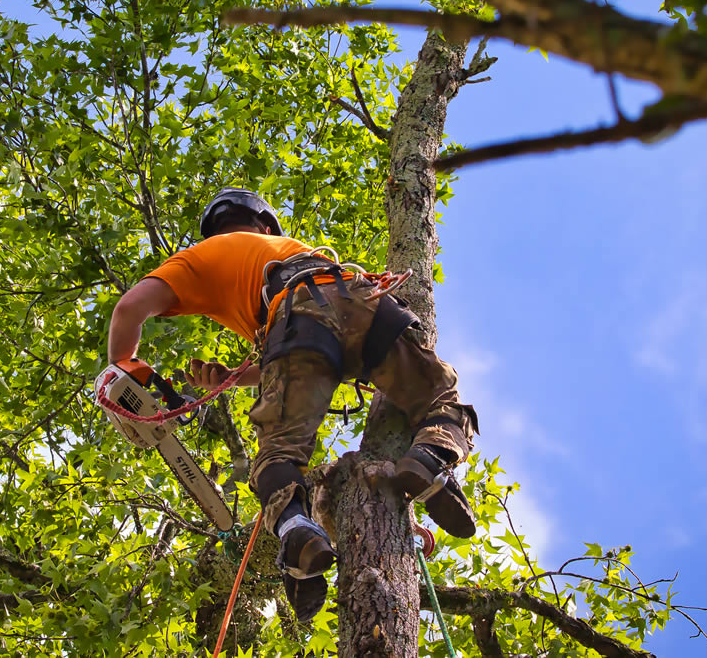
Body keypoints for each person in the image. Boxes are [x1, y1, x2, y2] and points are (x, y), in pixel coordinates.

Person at [105, 187, 479, 620]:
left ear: (211, 233)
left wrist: (123, 372)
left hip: (296, 320)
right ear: (265, 225)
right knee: (439, 395)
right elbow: (306, 345)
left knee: (280, 452)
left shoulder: (197, 258)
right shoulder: (290, 250)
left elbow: (129, 310)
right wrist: (232, 379)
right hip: (357, 300)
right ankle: (431, 458)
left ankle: (296, 530)